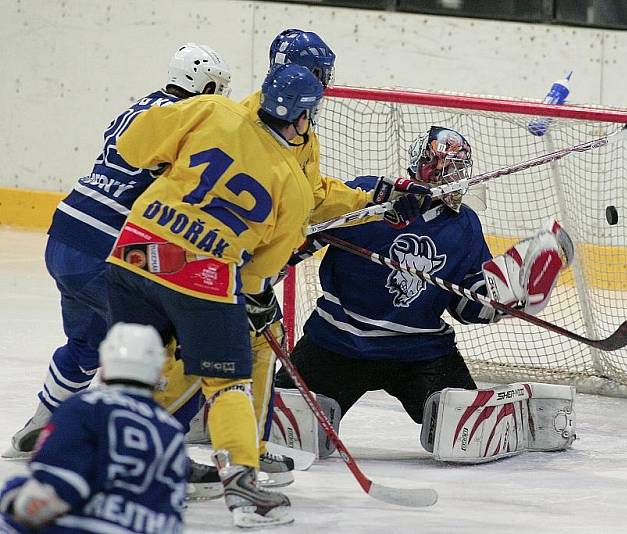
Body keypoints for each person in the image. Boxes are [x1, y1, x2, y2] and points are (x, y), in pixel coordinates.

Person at [104, 63, 428, 527]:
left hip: (133, 255)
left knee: (132, 370)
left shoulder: (212, 110)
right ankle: (242, 487)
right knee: (227, 383)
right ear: (299, 118)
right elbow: (259, 273)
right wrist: (252, 301)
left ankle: (110, 466)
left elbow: (132, 145)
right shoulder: (292, 185)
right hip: (202, 278)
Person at [273, 127, 577, 463]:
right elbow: (303, 235)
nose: (454, 176)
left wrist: (505, 295)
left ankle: (523, 414)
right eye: (446, 167)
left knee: (469, 435)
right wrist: (266, 268)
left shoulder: (463, 225)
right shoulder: (368, 193)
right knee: (278, 433)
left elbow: (465, 305)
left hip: (420, 354)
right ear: (423, 164)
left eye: (460, 168)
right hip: (337, 344)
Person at [4, 43, 232, 459]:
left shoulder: (141, 106)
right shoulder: (186, 120)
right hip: (106, 247)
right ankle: (148, 445)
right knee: (164, 346)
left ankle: (41, 425)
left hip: (65, 232)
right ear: (207, 84)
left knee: (86, 342)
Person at [0, 323, 186, 534]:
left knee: (12, 503)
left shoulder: (84, 407)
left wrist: (12, 498)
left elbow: (43, 500)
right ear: (156, 371)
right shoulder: (171, 428)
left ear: (105, 363)